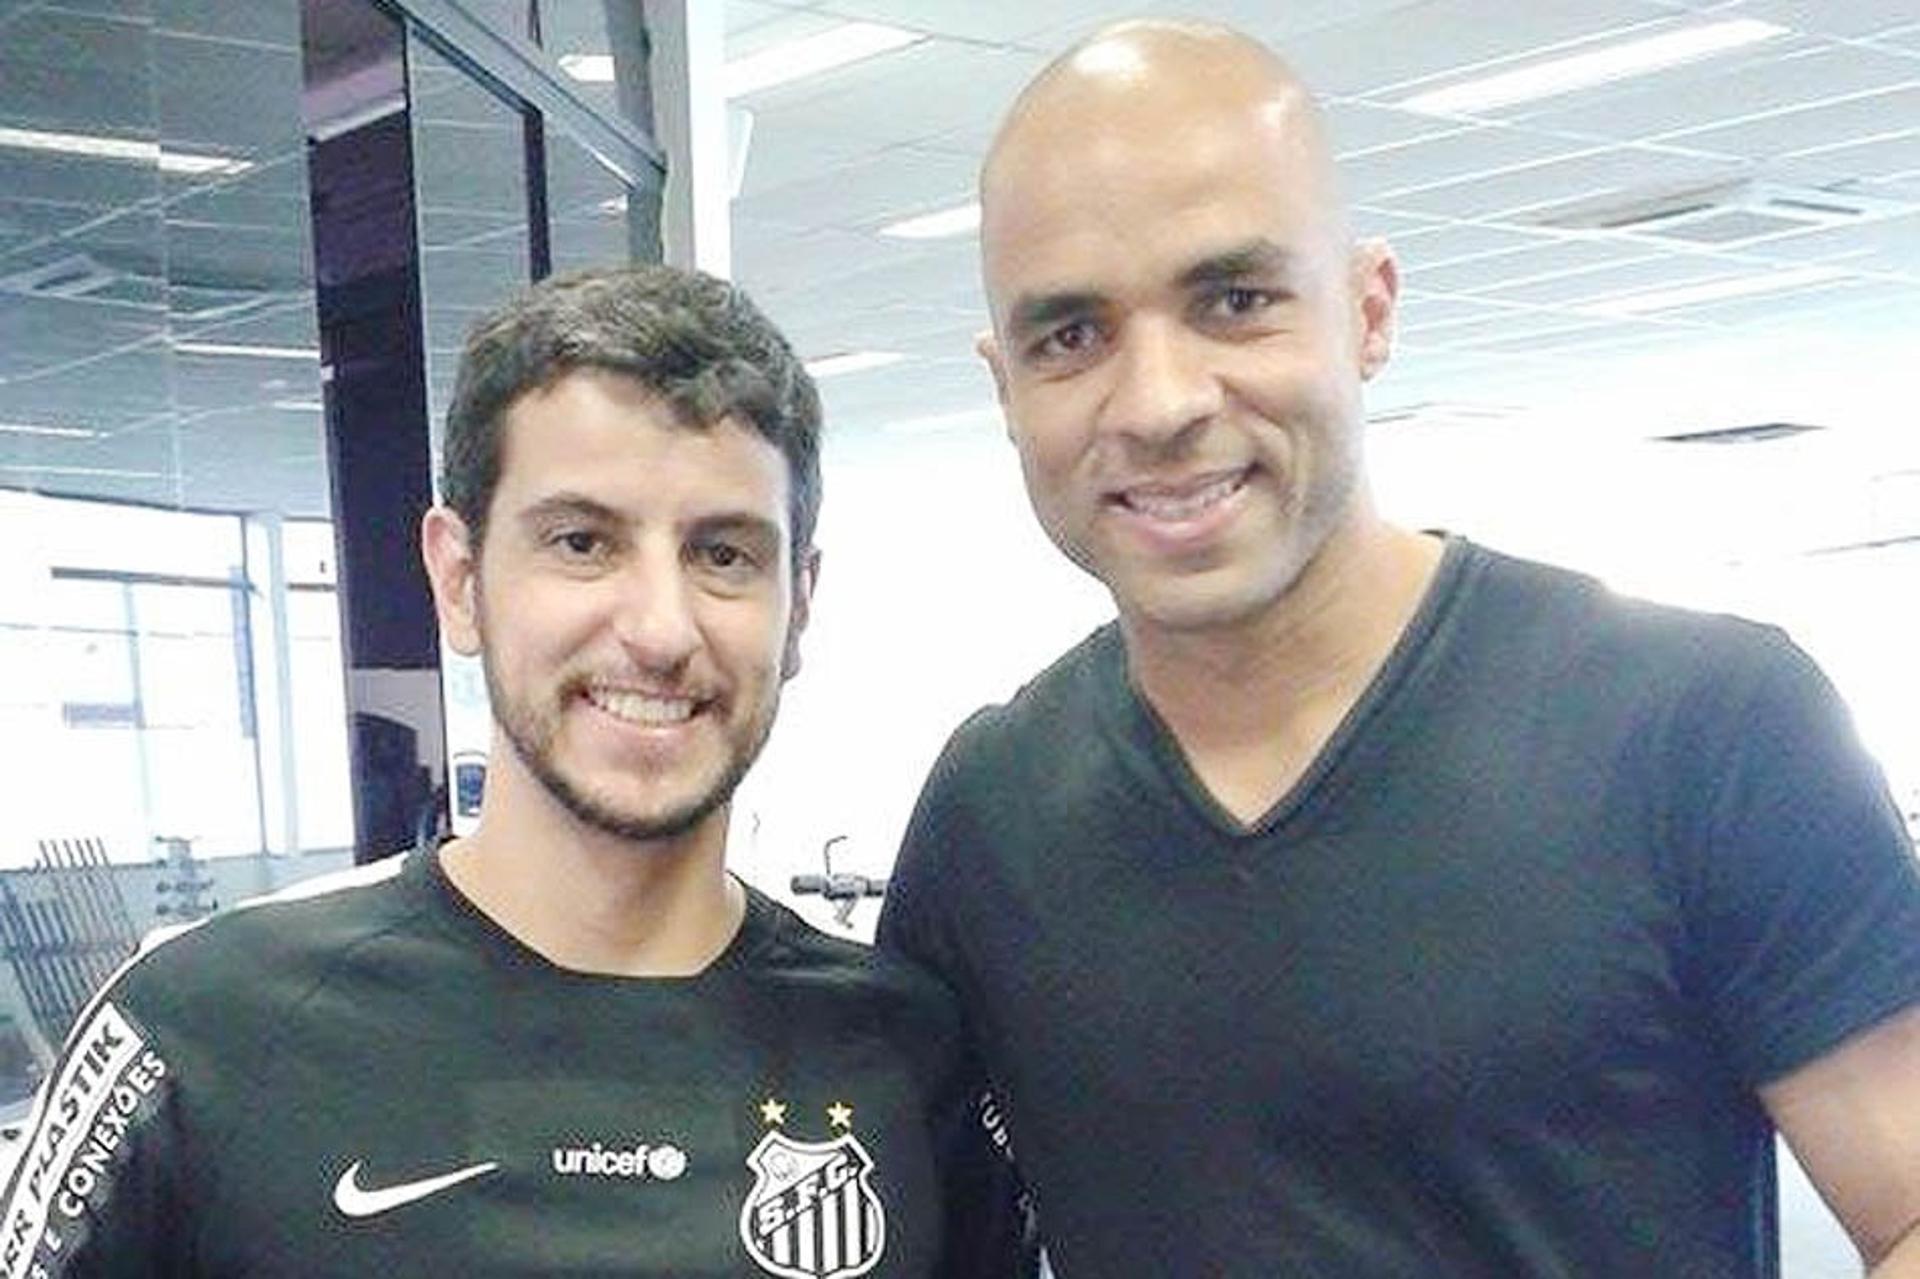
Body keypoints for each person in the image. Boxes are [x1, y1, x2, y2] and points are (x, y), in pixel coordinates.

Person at [878, 19, 1920, 1278]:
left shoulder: (1703, 728)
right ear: (1006, 387)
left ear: (1369, 311)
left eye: (1235, 301)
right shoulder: (989, 814)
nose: (1159, 402)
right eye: (1071, 336)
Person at [1, 266, 1025, 1277]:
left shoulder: (910, 1056)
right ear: (459, 579)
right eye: (582, 542)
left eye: (723, 555)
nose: (660, 629)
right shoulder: (203, 1032)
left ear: (797, 604)